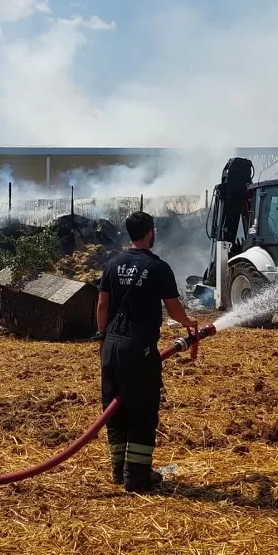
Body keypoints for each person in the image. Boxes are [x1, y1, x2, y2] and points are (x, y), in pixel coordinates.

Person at [95, 211, 198, 493]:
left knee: (115, 411)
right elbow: (174, 309)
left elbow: (102, 306)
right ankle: (137, 477)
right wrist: (189, 323)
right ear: (150, 232)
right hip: (137, 348)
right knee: (142, 411)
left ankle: (119, 470)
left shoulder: (113, 264)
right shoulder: (158, 267)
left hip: (111, 345)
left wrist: (102, 338)